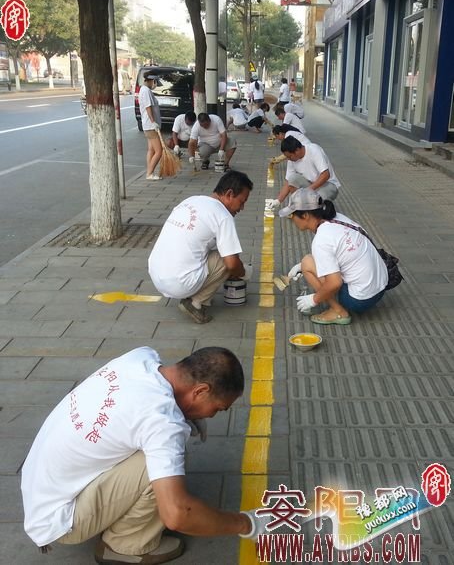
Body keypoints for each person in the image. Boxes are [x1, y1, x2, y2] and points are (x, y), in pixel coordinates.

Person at [21, 346, 268, 564]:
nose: (212, 415)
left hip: (41, 488)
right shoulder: (162, 423)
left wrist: (184, 415)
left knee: (161, 456)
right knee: (161, 466)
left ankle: (115, 518)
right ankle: (124, 546)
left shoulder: (141, 357)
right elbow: (178, 514)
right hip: (59, 519)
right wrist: (247, 523)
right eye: (218, 408)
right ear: (200, 391)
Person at [148, 170, 253, 324]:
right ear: (229, 194)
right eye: (242, 202)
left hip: (156, 274)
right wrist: (244, 273)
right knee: (228, 260)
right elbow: (231, 264)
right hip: (179, 283)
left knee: (218, 250)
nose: (242, 208)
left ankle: (193, 289)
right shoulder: (223, 216)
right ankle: (195, 302)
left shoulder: (191, 200)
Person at [280, 188, 388, 325]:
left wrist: (314, 299)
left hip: (360, 300)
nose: (292, 220)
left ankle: (338, 312)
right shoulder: (337, 218)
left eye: (292, 215)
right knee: (308, 263)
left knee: (307, 262)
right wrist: (301, 266)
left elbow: (335, 283)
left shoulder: (321, 240)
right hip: (381, 286)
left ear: (305, 215)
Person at [266, 133, 338, 212]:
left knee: (315, 201)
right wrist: (278, 200)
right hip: (311, 184)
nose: (288, 159)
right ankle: (297, 206)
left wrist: (308, 191)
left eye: (290, 156)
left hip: (328, 185)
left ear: (297, 150)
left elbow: (326, 175)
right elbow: (288, 181)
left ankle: (314, 207)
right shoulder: (292, 159)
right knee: (293, 178)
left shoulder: (314, 150)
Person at [139, 72, 163, 181]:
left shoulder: (144, 90)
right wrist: (153, 122)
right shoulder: (146, 91)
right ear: (152, 81)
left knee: (151, 150)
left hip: (148, 125)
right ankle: (149, 173)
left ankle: (150, 171)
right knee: (159, 151)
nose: (155, 85)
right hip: (150, 126)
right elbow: (148, 107)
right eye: (155, 82)